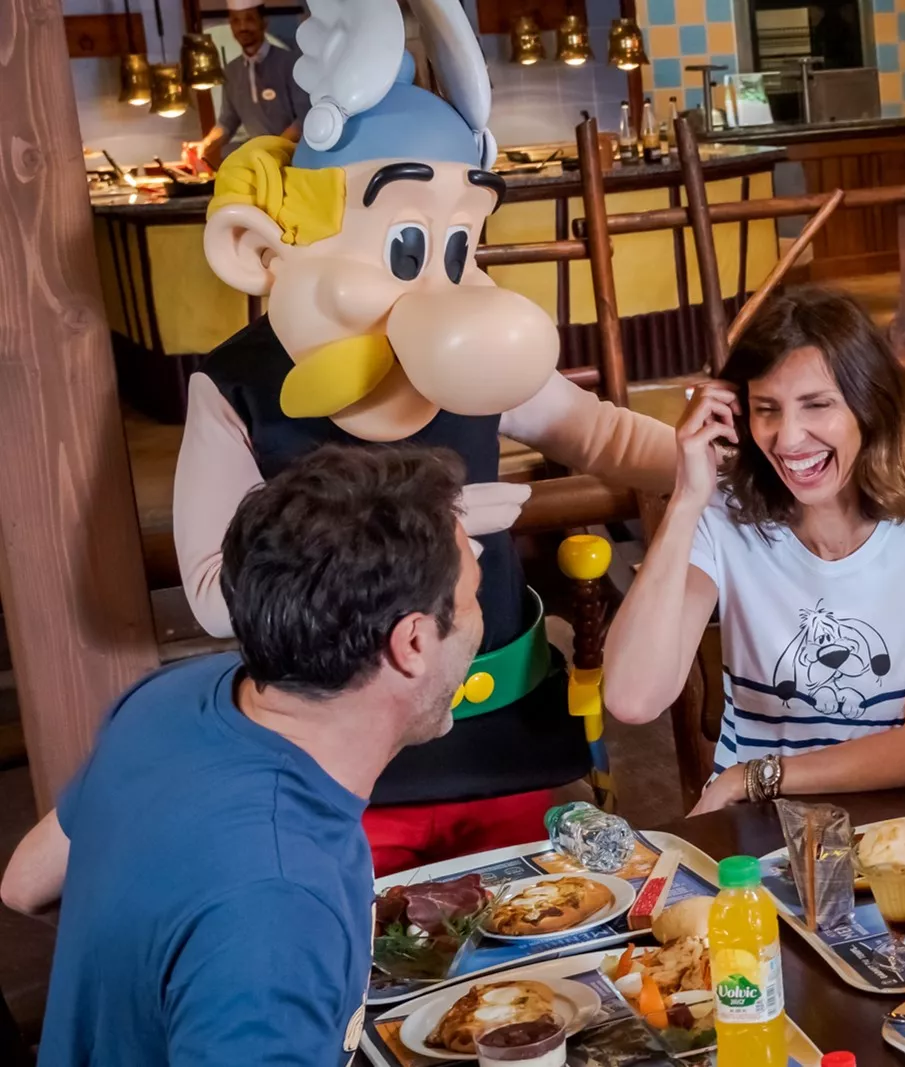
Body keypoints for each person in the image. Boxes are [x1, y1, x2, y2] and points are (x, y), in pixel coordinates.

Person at [180, 0, 678, 876]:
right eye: (408, 248)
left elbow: (601, 432)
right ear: (263, 249)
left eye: (459, 248)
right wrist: (414, 529)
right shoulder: (237, 385)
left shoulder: (471, 350)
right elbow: (217, 594)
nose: (442, 287)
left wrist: (734, 461)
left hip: (509, 736)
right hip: (344, 766)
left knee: (555, 935)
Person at [1, 444, 482, 1066]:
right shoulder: (277, 910)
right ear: (412, 642)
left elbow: (25, 884)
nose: (479, 620)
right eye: (471, 597)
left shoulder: (171, 696)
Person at [604, 287, 905, 813]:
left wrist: (751, 778)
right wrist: (689, 497)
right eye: (767, 409)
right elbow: (632, 699)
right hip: (759, 826)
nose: (788, 439)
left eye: (817, 405)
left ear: (869, 403)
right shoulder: (722, 512)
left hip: (900, 823)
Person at [190, 1, 309, 169]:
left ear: (264, 22)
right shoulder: (231, 71)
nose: (242, 27)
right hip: (262, 163)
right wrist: (206, 144)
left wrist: (273, 149)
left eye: (249, 19)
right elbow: (227, 122)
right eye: (236, 21)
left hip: (296, 160)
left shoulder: (290, 63)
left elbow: (304, 119)